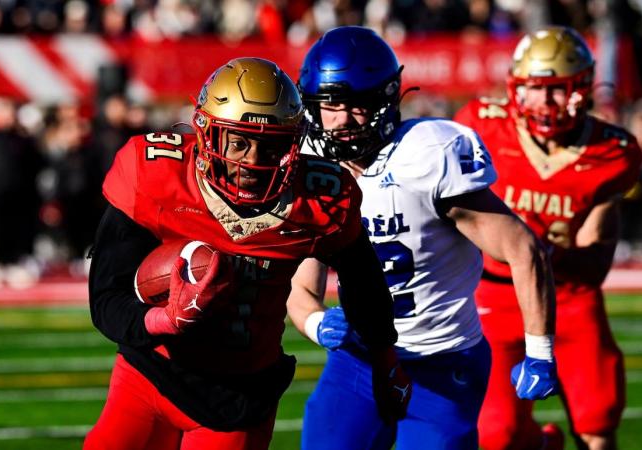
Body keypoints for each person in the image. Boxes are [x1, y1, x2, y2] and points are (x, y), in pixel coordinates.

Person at [84, 57, 410, 450]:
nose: (253, 161)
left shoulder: (321, 198)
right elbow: (106, 297)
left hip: (238, 397)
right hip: (147, 374)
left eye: (271, 146)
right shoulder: (155, 176)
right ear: (207, 133)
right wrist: (164, 320)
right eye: (239, 142)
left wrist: (384, 355)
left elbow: (364, 280)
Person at [287, 26, 557, 450]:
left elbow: (524, 250)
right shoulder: (314, 168)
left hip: (442, 360)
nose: (340, 119)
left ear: (386, 98)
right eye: (329, 105)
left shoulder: (428, 154)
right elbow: (301, 284)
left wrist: (539, 350)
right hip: (359, 360)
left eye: (356, 104)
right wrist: (317, 322)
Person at [454, 26, 642, 450]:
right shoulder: (479, 126)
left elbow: (594, 266)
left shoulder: (612, 153)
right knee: (496, 434)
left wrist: (543, 252)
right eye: (533, 89)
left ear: (581, 89)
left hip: (569, 296)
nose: (543, 102)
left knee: (597, 420)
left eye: (555, 89)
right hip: (493, 298)